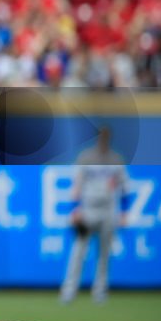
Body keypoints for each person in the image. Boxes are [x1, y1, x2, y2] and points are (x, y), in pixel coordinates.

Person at [59, 126, 128, 304]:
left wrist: (124, 213)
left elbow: (125, 189)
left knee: (104, 253)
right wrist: (74, 209)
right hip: (88, 210)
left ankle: (100, 292)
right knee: (79, 251)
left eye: (107, 137)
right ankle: (69, 291)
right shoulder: (86, 157)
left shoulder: (115, 159)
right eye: (102, 136)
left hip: (108, 210)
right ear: (97, 138)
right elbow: (77, 185)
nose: (103, 140)